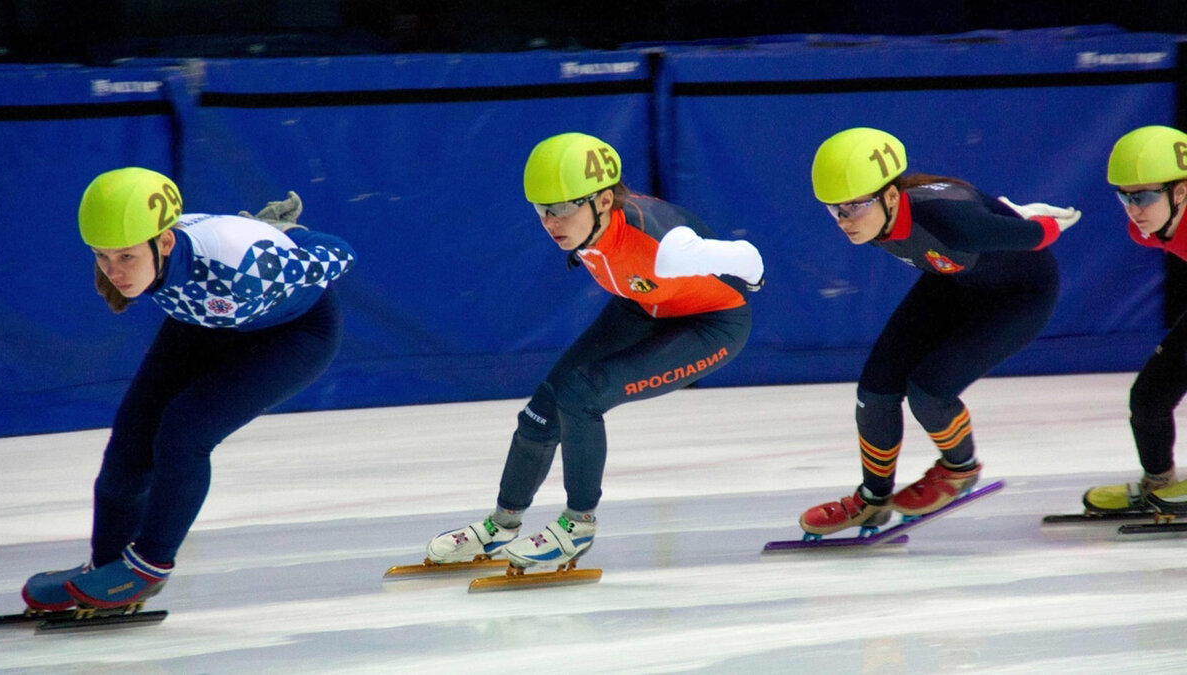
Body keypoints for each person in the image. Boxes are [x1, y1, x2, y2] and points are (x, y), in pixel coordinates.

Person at [424, 132, 763, 570]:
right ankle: (502, 525)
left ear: (603, 201)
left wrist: (755, 277)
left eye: (563, 208)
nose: (551, 222)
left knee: (582, 395)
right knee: (543, 408)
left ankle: (578, 524)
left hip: (711, 324)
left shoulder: (668, 247)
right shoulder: (588, 226)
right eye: (542, 209)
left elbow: (747, 256)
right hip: (642, 305)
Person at [21, 169, 356, 611]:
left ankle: (148, 567)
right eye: (102, 257)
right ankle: (105, 567)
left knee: (184, 433)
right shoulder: (142, 252)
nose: (114, 271)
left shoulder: (243, 265)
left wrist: (288, 237)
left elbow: (341, 253)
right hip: (202, 321)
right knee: (131, 439)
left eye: (126, 257)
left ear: (165, 242)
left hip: (293, 333)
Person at [800, 127, 1079, 537]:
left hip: (1020, 297)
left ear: (891, 196)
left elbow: (1039, 234)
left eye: (854, 206)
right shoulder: (875, 217)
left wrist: (1031, 220)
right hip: (954, 280)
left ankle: (959, 469)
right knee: (874, 393)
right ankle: (873, 500)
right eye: (834, 210)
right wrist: (996, 211)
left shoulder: (949, 220)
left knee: (929, 392)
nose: (844, 221)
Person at [1083, 125, 1187, 515]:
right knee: (1149, 396)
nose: (1133, 209)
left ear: (1180, 192)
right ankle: (1158, 483)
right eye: (1124, 196)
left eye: (1142, 196)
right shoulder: (1145, 229)